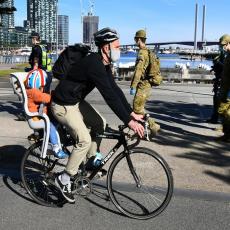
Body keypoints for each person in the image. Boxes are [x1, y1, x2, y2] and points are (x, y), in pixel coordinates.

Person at [51, 27, 144, 203]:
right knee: (84, 140)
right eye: (116, 46)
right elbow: (109, 96)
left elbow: (115, 90)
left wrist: (132, 114)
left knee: (100, 123)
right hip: (62, 105)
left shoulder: (104, 64)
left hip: (75, 101)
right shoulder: (94, 64)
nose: (119, 49)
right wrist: (129, 122)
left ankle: (90, 161)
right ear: (105, 48)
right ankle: (63, 178)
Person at [25, 69, 68, 158]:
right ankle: (56, 148)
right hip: (37, 118)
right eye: (42, 86)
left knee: (54, 122)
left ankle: (45, 136)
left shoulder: (28, 91)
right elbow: (46, 98)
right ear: (38, 84)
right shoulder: (34, 92)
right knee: (51, 126)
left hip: (38, 116)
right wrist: (55, 94)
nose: (42, 88)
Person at [130, 29, 160, 135]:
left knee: (137, 108)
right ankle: (142, 128)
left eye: (135, 39)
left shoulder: (142, 53)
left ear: (138, 39)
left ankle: (153, 127)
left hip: (143, 85)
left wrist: (133, 86)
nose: (135, 41)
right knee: (138, 107)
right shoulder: (148, 51)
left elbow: (138, 71)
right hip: (147, 84)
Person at [27, 32, 52, 140]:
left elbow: (36, 62)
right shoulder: (44, 46)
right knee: (45, 96)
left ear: (35, 39)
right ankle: (46, 115)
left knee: (38, 97)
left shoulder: (36, 48)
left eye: (32, 39)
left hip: (40, 74)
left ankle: (40, 121)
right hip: (48, 73)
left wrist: (32, 73)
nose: (31, 40)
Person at [217, 34, 230, 141]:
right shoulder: (228, 55)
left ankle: (228, 135)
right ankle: (227, 135)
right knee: (223, 112)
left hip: (229, 90)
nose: (223, 47)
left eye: (224, 45)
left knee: (227, 113)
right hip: (225, 88)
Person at [206, 51, 225, 124]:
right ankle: (214, 118)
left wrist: (219, 79)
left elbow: (224, 73)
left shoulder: (220, 64)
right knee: (216, 102)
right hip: (218, 84)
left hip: (220, 85)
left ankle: (217, 120)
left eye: (213, 60)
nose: (212, 62)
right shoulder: (219, 64)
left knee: (218, 102)